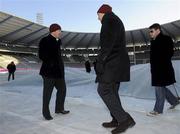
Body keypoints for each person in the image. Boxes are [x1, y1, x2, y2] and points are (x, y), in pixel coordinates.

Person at [95, 4, 135, 134]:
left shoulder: (109, 20)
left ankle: (124, 120)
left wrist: (101, 60)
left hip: (112, 62)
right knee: (112, 91)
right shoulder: (115, 20)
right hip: (118, 63)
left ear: (102, 12)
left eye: (98, 15)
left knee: (104, 90)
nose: (98, 18)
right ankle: (117, 119)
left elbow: (108, 43)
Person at [38, 23, 69, 120]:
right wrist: (51, 63)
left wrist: (61, 68)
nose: (60, 32)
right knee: (47, 93)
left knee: (62, 89)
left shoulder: (58, 41)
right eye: (59, 31)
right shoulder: (44, 40)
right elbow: (41, 55)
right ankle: (46, 113)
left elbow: (58, 57)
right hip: (49, 72)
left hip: (58, 72)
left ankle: (59, 108)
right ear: (54, 31)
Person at [148, 23, 179, 116]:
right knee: (161, 88)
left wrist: (160, 63)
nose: (150, 33)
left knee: (159, 88)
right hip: (156, 69)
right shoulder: (153, 41)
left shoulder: (166, 39)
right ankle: (174, 101)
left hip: (163, 69)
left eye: (151, 31)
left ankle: (158, 110)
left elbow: (170, 53)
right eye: (150, 32)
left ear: (158, 30)